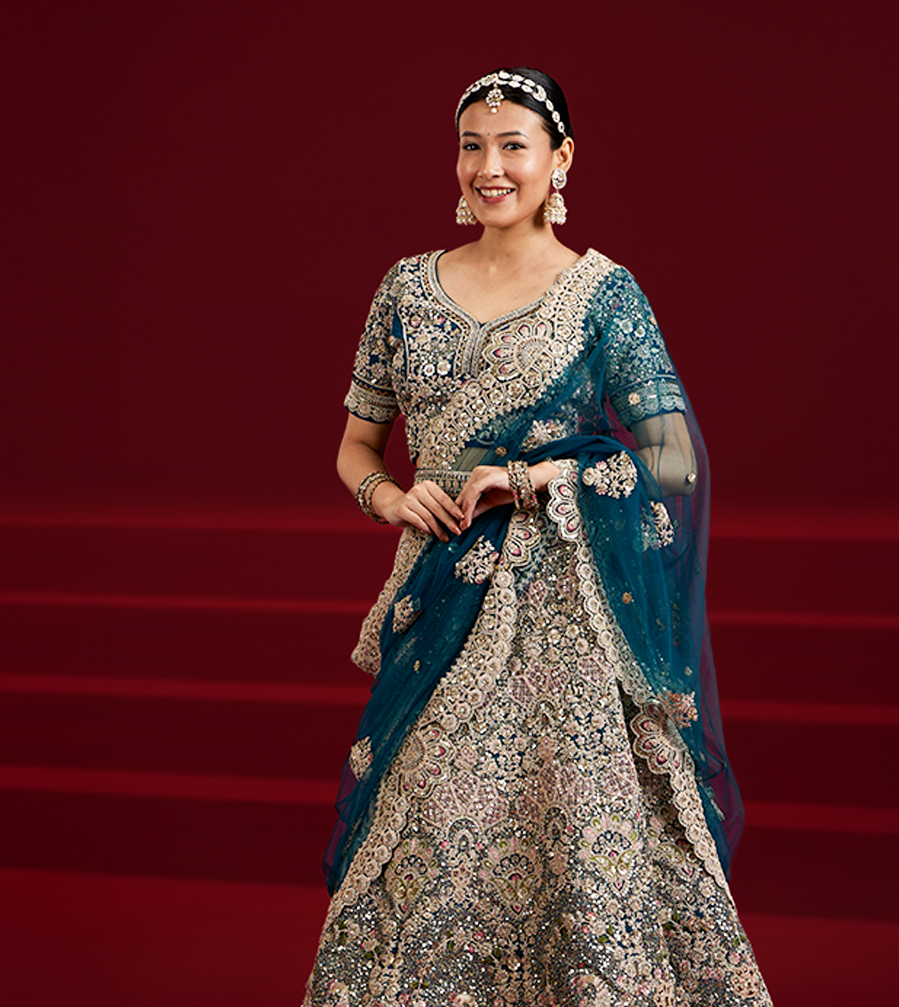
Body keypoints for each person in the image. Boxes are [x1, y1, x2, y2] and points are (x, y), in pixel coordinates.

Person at [306, 67, 772, 1005]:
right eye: (474, 144)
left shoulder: (603, 293)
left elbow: (674, 461)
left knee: (580, 831)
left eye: (514, 144)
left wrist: (526, 479)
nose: (491, 166)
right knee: (430, 826)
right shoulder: (405, 289)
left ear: (560, 160)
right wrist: (392, 498)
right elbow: (358, 446)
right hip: (441, 596)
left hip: (565, 611)